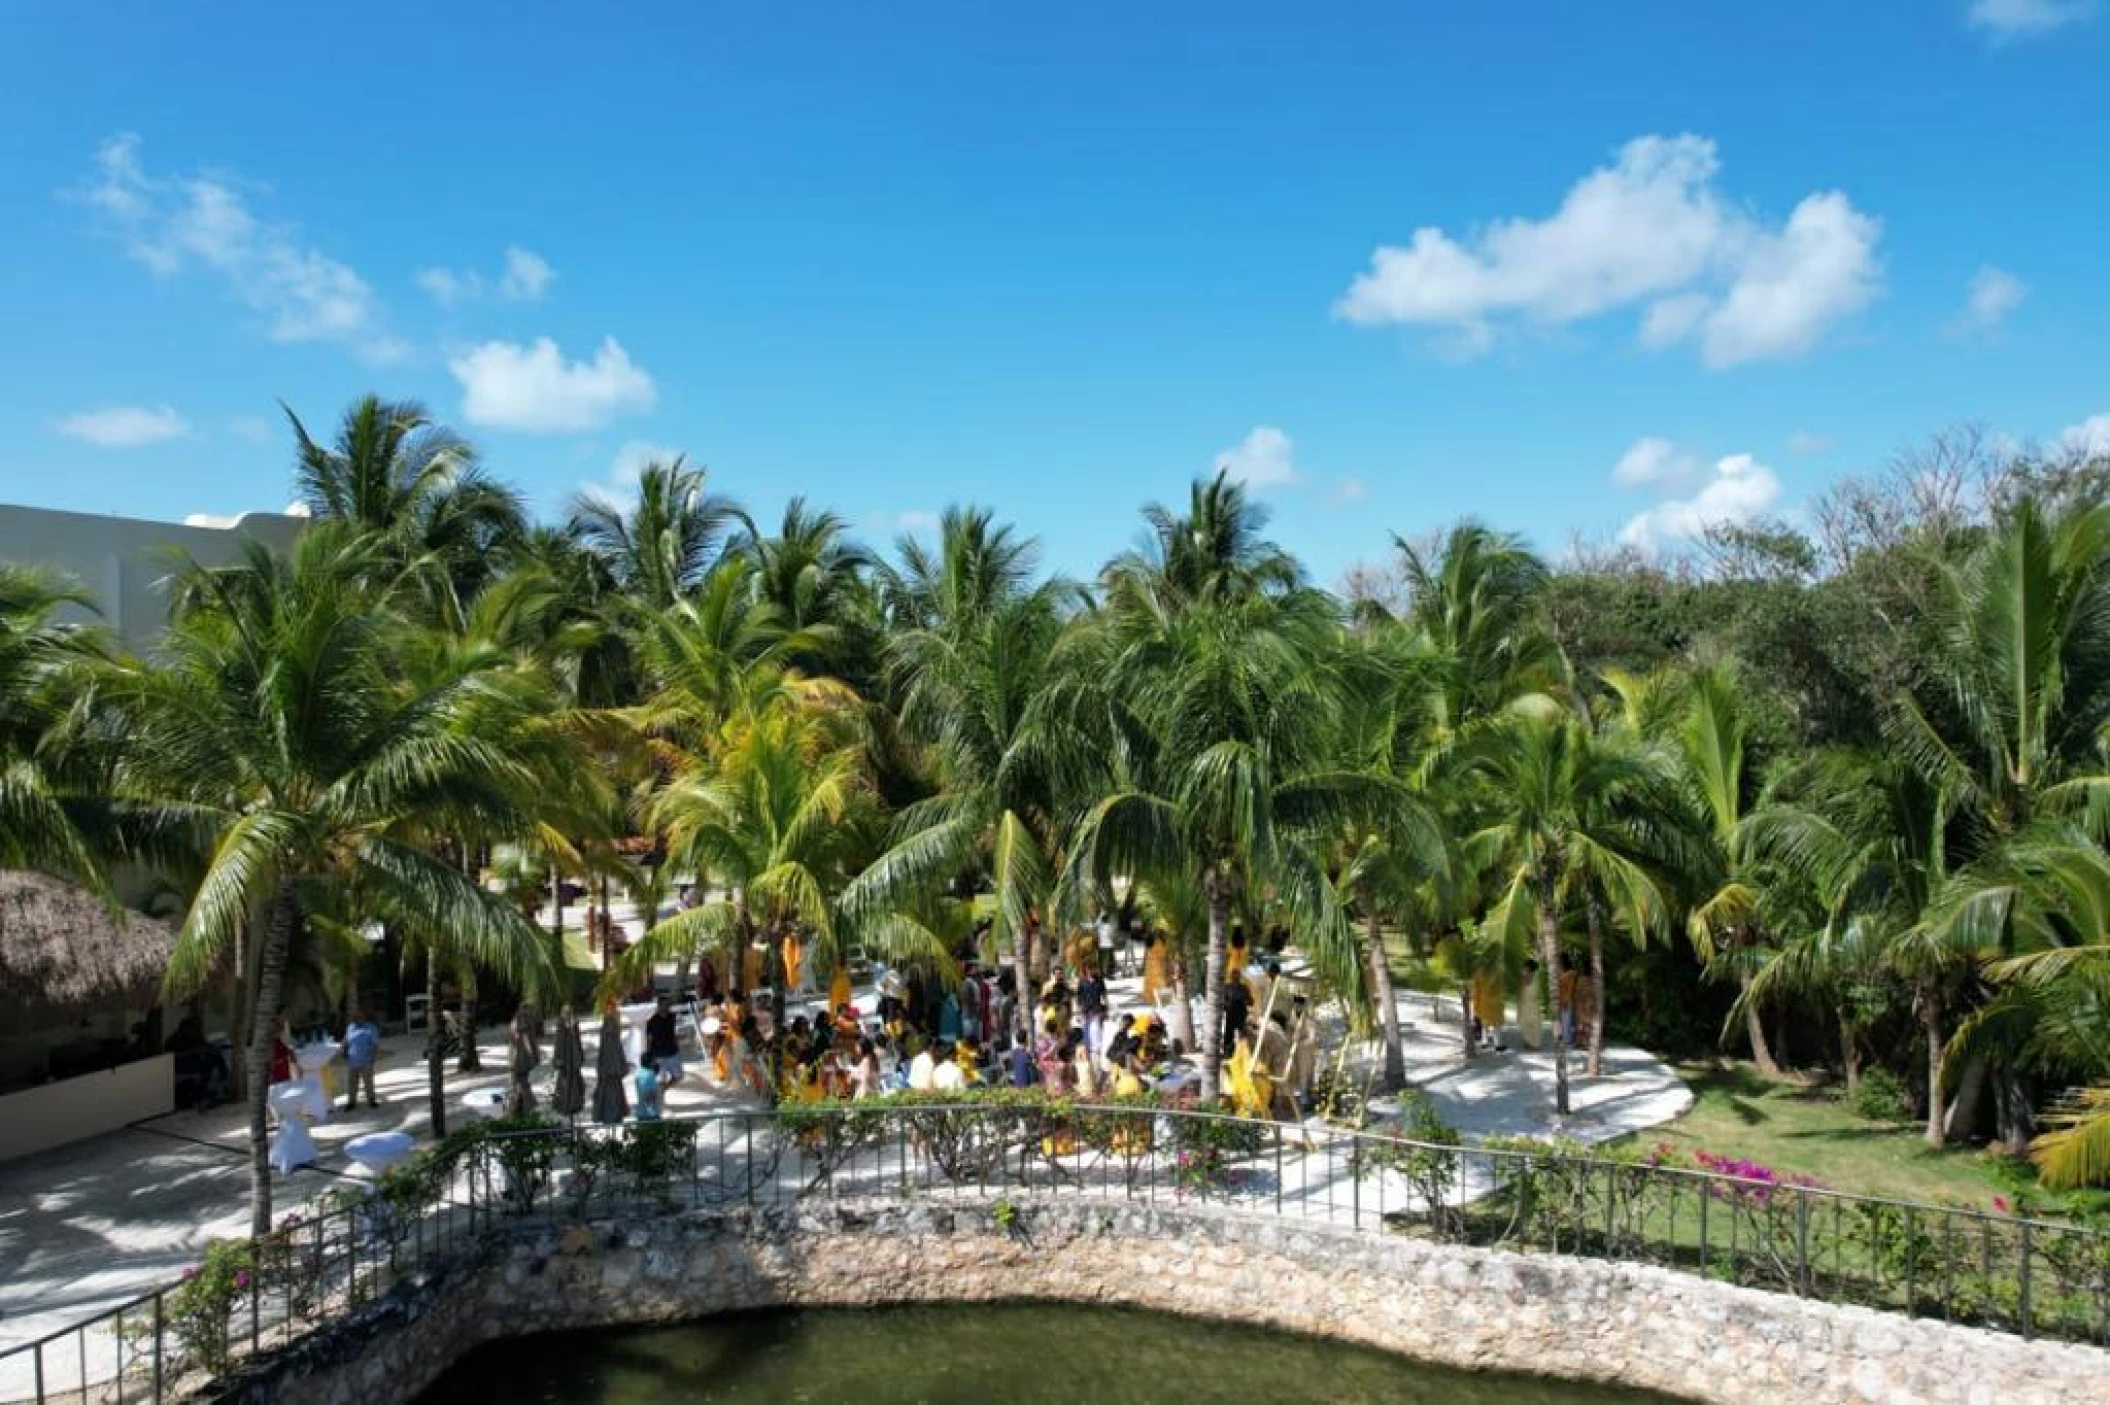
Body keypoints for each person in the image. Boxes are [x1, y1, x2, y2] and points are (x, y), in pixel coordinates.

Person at [342, 1009, 382, 1111]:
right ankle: (351, 1102)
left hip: (366, 1059)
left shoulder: (370, 1028)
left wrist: (372, 1057)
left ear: (363, 1017)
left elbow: (375, 1044)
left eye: (357, 1017)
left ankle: (371, 1100)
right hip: (353, 1060)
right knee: (352, 1083)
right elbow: (346, 1041)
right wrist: (344, 1051)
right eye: (353, 1017)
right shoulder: (350, 1027)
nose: (355, 1019)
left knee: (368, 1082)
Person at [645, 993, 685, 1089]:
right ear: (659, 1005)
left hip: (672, 1051)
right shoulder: (652, 1021)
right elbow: (649, 1039)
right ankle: (661, 1096)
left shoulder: (673, 1017)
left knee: (679, 1076)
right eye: (665, 1004)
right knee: (660, 1080)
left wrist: (678, 1040)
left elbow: (676, 1031)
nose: (667, 1007)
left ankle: (664, 1089)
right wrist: (650, 1054)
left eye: (668, 1004)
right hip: (659, 1054)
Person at [1077, 964, 1108, 1067]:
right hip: (1085, 1009)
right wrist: (1079, 1011)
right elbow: (1079, 997)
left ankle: (1096, 1050)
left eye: (1092, 968)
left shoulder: (1099, 980)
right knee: (1085, 1029)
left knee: (1096, 1029)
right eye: (1088, 968)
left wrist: (1106, 1008)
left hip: (1096, 1008)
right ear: (1085, 969)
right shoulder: (1082, 981)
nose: (1090, 970)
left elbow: (1104, 994)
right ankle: (1087, 1048)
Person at [1517, 958, 1544, 1051]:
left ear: (1527, 967)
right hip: (1534, 1003)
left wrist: (1518, 1004)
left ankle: (1530, 1043)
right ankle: (1534, 1043)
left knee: (1526, 1023)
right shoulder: (1536, 977)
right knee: (1534, 1023)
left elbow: (1521, 990)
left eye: (1524, 966)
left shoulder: (1525, 977)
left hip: (1527, 1002)